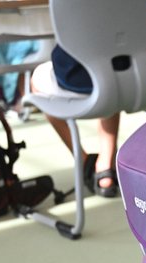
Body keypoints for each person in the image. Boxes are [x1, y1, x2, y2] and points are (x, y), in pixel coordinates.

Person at [30, 45, 119, 197]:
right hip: (132, 76)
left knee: (37, 80)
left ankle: (84, 162)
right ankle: (106, 164)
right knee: (110, 75)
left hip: (78, 80)